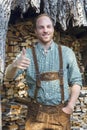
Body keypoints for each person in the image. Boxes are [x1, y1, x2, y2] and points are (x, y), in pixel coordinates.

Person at [5, 13, 82, 130]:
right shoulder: (27, 54)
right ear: (35, 31)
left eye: (48, 26)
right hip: (35, 115)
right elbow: (8, 76)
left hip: (61, 114)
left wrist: (70, 106)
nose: (45, 30)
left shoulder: (67, 53)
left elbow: (76, 81)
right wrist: (15, 65)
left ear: (53, 29)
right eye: (41, 27)